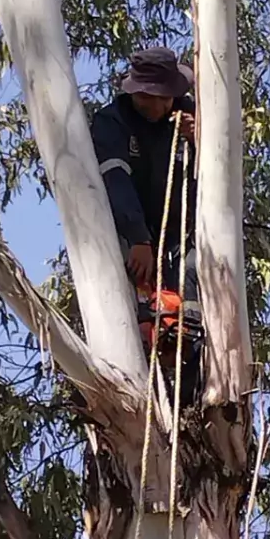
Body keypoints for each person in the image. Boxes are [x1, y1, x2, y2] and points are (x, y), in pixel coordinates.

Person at [90, 47, 202, 387]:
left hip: (183, 234)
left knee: (192, 284)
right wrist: (138, 237)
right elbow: (115, 180)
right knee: (138, 305)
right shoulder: (113, 122)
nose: (148, 104)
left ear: (172, 94)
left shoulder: (192, 117)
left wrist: (200, 142)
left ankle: (194, 378)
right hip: (131, 231)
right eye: (141, 97)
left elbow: (218, 177)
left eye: (156, 98)